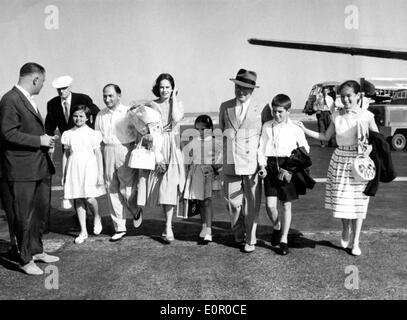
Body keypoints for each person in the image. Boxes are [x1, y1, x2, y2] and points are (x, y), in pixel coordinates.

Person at [296, 80, 379, 256]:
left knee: (359, 203)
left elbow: (377, 141)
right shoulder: (337, 116)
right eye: (343, 97)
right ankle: (345, 229)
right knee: (342, 201)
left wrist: (367, 150)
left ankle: (356, 241)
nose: (346, 100)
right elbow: (325, 136)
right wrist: (304, 130)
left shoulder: (367, 116)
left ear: (358, 96)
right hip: (340, 160)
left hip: (360, 163)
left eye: (349, 96)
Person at [0, 62, 59, 275]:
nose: (43, 85)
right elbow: (7, 133)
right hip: (21, 169)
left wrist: (44, 141)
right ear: (35, 79)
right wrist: (39, 140)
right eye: (42, 81)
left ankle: (36, 250)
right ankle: (25, 259)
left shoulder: (27, 100)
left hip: (39, 167)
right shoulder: (10, 100)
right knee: (22, 215)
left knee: (39, 212)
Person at [258, 94, 310, 255]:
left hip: (288, 167)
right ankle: (276, 226)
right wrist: (262, 165)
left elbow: (305, 149)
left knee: (286, 205)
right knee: (270, 205)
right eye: (274, 111)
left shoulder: (294, 128)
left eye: (280, 111)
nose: (276, 115)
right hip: (271, 166)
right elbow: (261, 148)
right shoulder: (267, 126)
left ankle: (284, 239)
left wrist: (291, 165)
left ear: (288, 111)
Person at [219, 69, 263, 253]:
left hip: (252, 163)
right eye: (238, 87)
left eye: (245, 88)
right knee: (233, 203)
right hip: (231, 162)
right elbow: (223, 130)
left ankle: (250, 239)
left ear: (252, 89)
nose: (241, 91)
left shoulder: (263, 108)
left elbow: (265, 135)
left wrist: (262, 160)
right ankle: (238, 234)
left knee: (252, 203)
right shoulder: (225, 106)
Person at [95, 84, 141, 242]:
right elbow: (97, 138)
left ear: (119, 96)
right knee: (112, 188)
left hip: (125, 149)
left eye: (110, 96)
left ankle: (135, 210)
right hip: (107, 149)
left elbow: (138, 132)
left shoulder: (128, 112)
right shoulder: (100, 115)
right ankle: (119, 227)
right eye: (105, 96)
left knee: (127, 190)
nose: (107, 99)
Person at [148, 73, 185, 243]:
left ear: (173, 88)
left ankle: (168, 226)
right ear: (158, 87)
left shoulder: (177, 104)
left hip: (173, 145)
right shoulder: (151, 105)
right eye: (162, 87)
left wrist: (174, 98)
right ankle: (137, 212)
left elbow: (176, 118)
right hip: (157, 146)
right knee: (157, 187)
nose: (164, 90)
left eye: (168, 87)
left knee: (169, 187)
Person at [61, 105, 105, 244]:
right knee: (78, 198)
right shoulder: (68, 134)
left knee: (89, 197)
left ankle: (97, 216)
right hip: (74, 167)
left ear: (87, 118)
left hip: (89, 166)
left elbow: (98, 154)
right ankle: (83, 231)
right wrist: (64, 174)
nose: (78, 119)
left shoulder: (93, 134)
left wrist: (100, 174)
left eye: (81, 116)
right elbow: (66, 155)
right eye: (75, 116)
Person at [182, 115, 222, 242]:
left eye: (203, 129)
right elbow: (187, 155)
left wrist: (215, 169)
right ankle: (204, 227)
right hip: (197, 173)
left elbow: (220, 160)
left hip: (209, 174)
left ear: (210, 128)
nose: (201, 132)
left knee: (207, 202)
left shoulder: (216, 142)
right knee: (200, 202)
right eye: (198, 129)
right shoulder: (195, 141)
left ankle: (209, 230)